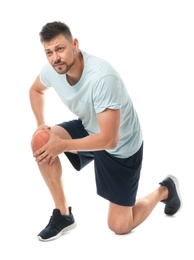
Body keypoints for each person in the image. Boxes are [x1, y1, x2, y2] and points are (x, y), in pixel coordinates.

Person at [29, 21, 182, 242]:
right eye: (49, 52)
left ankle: (165, 189)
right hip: (90, 127)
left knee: (120, 226)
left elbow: (110, 140)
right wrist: (40, 124)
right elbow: (35, 89)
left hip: (121, 147)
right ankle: (63, 215)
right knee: (41, 140)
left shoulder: (102, 77)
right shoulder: (53, 70)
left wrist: (62, 145)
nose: (55, 58)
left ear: (75, 44)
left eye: (60, 49)